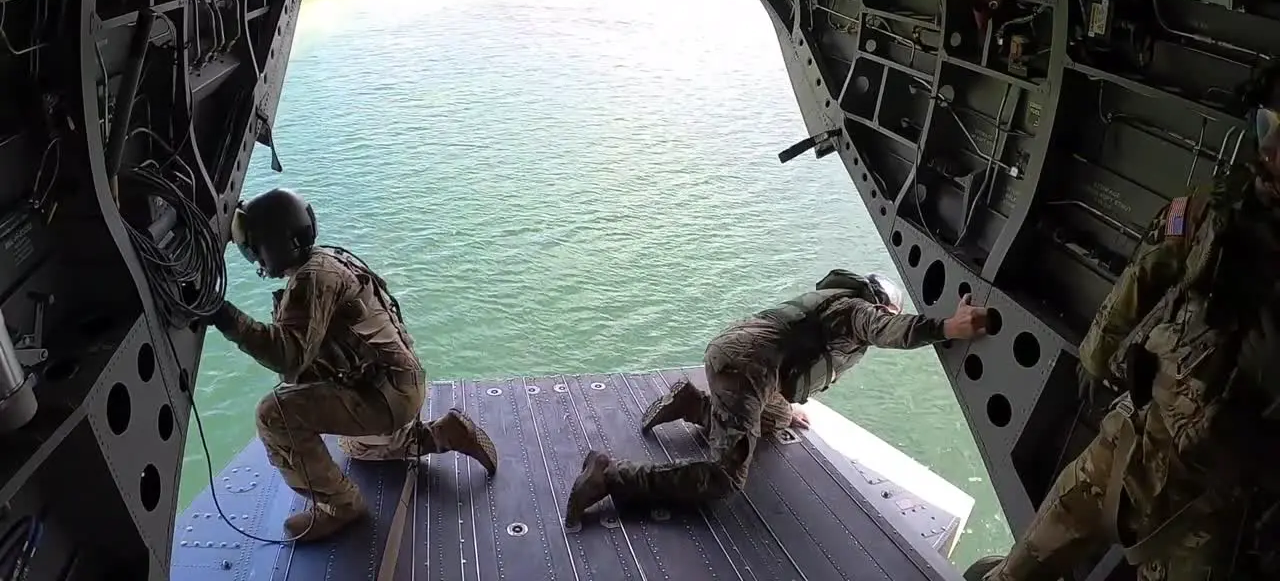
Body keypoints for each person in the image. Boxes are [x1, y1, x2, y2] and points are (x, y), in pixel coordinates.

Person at [974, 96, 1280, 581]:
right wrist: (1097, 354)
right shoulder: (1215, 211)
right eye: (1270, 128)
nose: (1274, 151)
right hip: (1132, 441)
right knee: (1024, 567)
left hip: (1213, 507)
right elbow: (1147, 270)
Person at [562, 269, 990, 526]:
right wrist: (948, 328)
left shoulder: (831, 302)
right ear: (878, 304)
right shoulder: (856, 311)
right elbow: (889, 330)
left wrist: (785, 408)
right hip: (747, 372)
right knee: (724, 479)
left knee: (779, 420)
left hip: (741, 359)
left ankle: (694, 404)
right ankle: (612, 475)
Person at [207, 188, 498, 542]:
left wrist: (223, 315)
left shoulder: (310, 280)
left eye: (255, 248)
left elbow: (287, 356)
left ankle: (340, 507)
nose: (254, 258)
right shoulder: (330, 261)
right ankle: (439, 434)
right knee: (354, 448)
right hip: (397, 384)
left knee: (274, 415)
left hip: (382, 393)